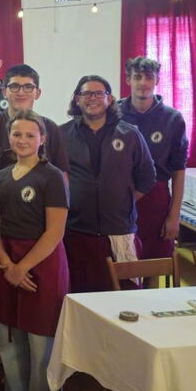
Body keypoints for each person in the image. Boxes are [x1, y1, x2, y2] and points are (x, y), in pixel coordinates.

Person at [0, 110, 70, 391]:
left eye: (29, 135)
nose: (22, 140)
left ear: (42, 139)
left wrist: (22, 267)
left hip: (42, 268)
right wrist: (7, 265)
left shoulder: (52, 177)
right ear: (9, 137)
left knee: (42, 353)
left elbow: (55, 232)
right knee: (11, 350)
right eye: (17, 134)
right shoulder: (0, 177)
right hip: (8, 265)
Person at [59, 75, 155, 293]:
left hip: (119, 231)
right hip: (76, 233)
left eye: (98, 93)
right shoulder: (61, 135)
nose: (92, 98)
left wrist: (122, 198)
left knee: (125, 297)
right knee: (79, 297)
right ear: (77, 99)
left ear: (109, 99)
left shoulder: (130, 134)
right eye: (86, 93)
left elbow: (147, 177)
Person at [117, 57, 188, 260]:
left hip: (156, 198)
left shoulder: (173, 118)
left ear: (157, 80)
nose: (143, 83)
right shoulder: (113, 114)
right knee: (121, 257)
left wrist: (174, 216)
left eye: (149, 77)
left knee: (155, 258)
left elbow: (179, 170)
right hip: (119, 196)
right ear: (128, 80)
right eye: (137, 77)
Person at [0, 64, 69, 184]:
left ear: (38, 93)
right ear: (4, 92)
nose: (21, 92)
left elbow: (62, 178)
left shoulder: (50, 128)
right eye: (14, 86)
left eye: (28, 87)